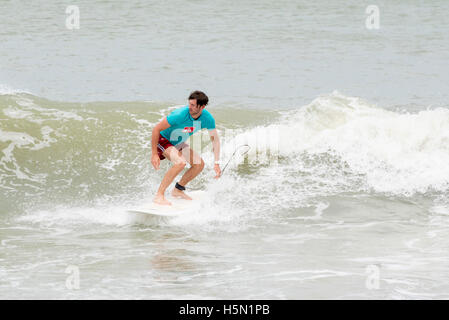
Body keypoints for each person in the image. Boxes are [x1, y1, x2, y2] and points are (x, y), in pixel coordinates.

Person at [150, 91, 221, 205]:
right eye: (189, 104)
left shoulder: (208, 119)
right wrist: (154, 154)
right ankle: (159, 195)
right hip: (163, 139)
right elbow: (156, 129)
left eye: (193, 105)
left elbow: (215, 140)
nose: (190, 107)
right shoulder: (180, 115)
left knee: (198, 164)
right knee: (180, 162)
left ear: (202, 107)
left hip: (178, 142)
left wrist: (216, 162)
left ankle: (178, 190)